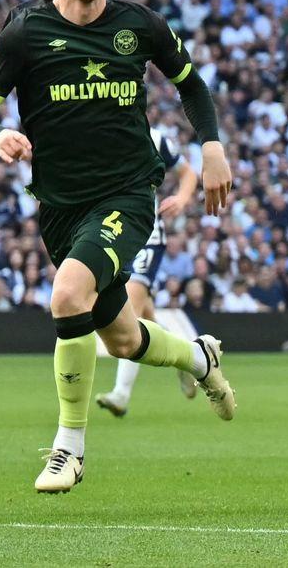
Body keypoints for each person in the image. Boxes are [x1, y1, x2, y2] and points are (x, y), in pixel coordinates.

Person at [0, 0, 237, 494]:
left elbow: (190, 82)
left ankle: (69, 448)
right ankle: (199, 359)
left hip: (128, 192)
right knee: (122, 337)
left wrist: (211, 145)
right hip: (60, 204)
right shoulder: (25, 32)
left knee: (67, 295)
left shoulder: (139, 25)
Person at [94, 126, 201, 417]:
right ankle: (188, 358)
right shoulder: (93, 129)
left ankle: (121, 394)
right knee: (147, 316)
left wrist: (181, 198)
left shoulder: (153, 137)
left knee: (130, 311)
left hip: (146, 234)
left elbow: (188, 173)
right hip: (109, 232)